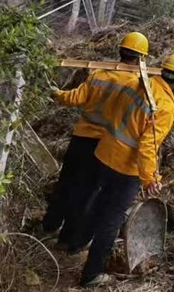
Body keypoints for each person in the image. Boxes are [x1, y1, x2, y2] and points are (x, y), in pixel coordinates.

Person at [63, 45, 174, 288]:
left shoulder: (137, 84)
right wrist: (150, 179)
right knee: (111, 219)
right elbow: (148, 145)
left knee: (96, 202)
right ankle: (92, 274)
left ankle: (76, 244)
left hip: (104, 152)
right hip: (125, 168)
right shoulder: (165, 106)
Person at [41, 31, 148, 248]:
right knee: (86, 193)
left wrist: (56, 93)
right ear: (140, 58)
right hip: (103, 147)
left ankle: (49, 227)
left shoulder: (99, 74)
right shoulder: (135, 86)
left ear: (120, 51)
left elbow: (75, 98)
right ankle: (67, 239)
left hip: (81, 138)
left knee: (66, 183)